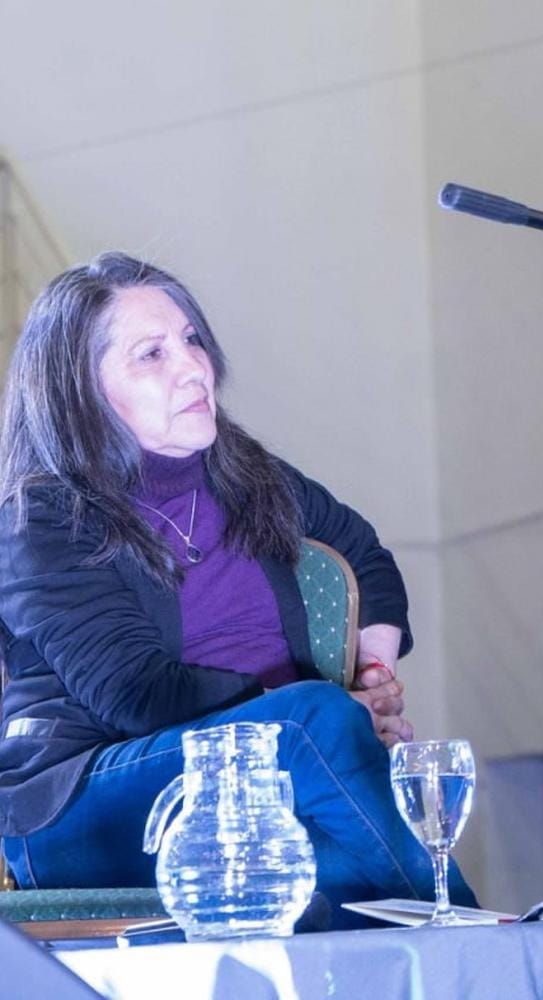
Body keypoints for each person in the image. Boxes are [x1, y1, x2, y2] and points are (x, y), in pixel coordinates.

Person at [0, 252, 475, 924]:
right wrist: (320, 713)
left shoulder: (247, 473)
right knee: (315, 723)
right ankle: (482, 941)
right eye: (151, 354)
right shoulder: (40, 517)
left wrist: (371, 678)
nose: (193, 366)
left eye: (192, 339)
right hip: (82, 799)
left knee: (341, 887)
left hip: (265, 789)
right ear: (79, 390)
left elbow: (365, 558)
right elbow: (139, 694)